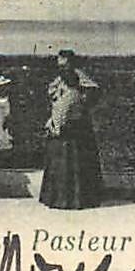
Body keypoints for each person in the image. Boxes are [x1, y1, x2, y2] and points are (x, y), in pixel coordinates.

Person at [39, 67, 100, 209]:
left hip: (65, 136)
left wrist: (54, 130)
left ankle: (61, 200)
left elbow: (61, 117)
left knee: (64, 168)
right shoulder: (75, 94)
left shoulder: (68, 96)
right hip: (74, 133)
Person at [52, 49, 103, 201]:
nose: (62, 69)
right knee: (61, 161)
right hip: (61, 125)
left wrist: (81, 105)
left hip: (78, 126)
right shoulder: (60, 80)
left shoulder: (81, 79)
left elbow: (92, 95)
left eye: (65, 65)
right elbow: (56, 99)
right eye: (59, 66)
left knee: (78, 161)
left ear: (72, 64)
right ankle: (60, 197)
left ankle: (80, 198)